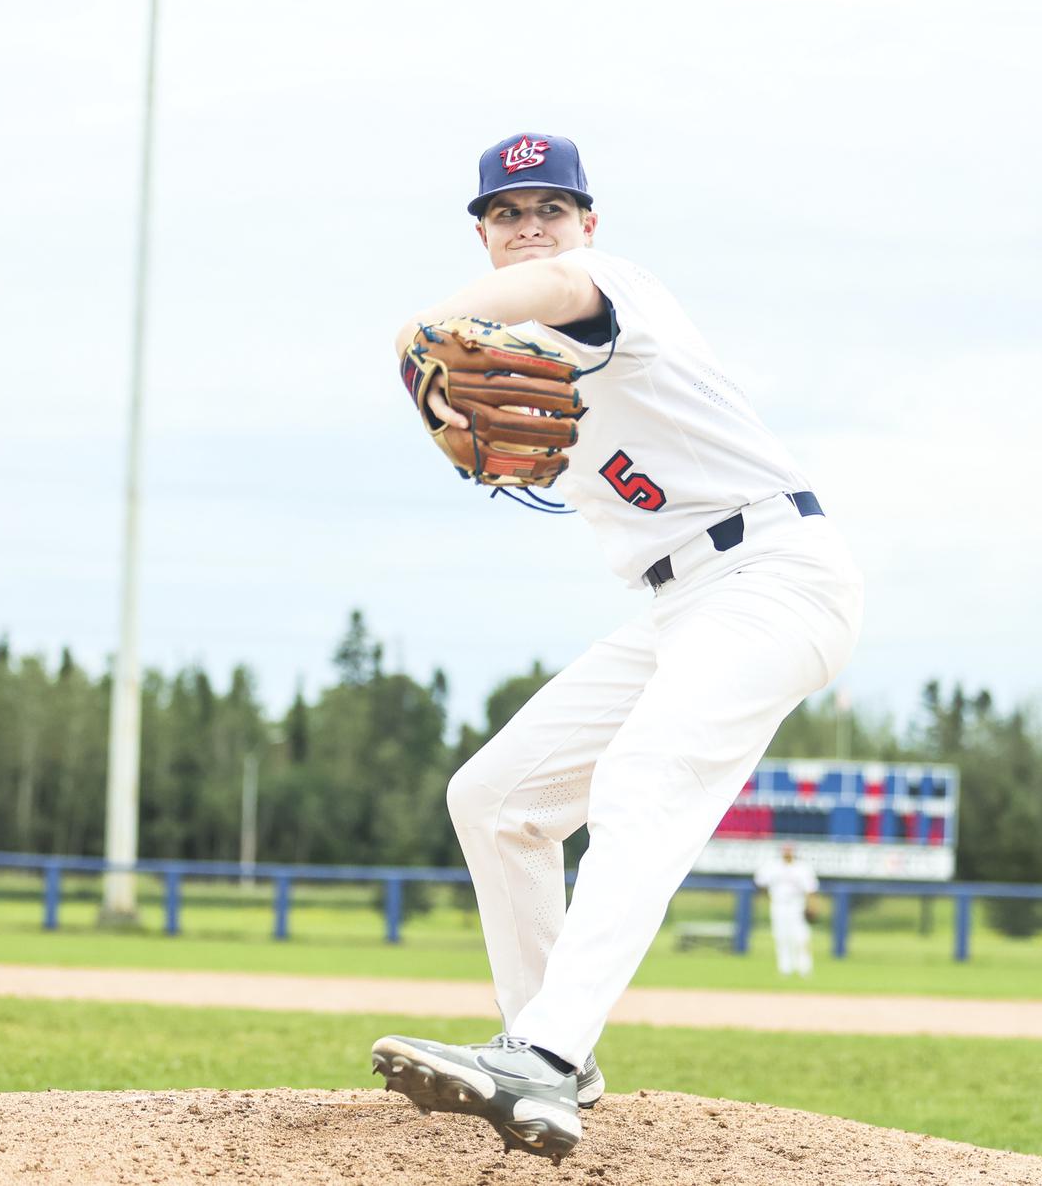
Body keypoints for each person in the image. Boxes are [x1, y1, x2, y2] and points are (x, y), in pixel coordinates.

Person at [370, 133, 864, 1162]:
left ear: (587, 222)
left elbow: (554, 284)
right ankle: (546, 1050)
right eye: (508, 212)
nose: (531, 224)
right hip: (679, 606)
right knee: (495, 798)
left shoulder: (604, 282)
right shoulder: (521, 358)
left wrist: (422, 328)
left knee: (643, 774)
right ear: (481, 231)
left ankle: (546, 1054)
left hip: (774, 572)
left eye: (551, 205)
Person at [753, 843, 820, 977]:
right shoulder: (772, 866)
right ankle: (785, 969)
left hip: (797, 904)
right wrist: (769, 898)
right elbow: (760, 883)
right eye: (785, 850)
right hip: (779, 904)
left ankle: (804, 969)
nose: (787, 853)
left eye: (790, 850)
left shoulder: (802, 868)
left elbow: (811, 890)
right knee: (781, 936)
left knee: (801, 937)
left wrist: (812, 906)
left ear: (793, 852)